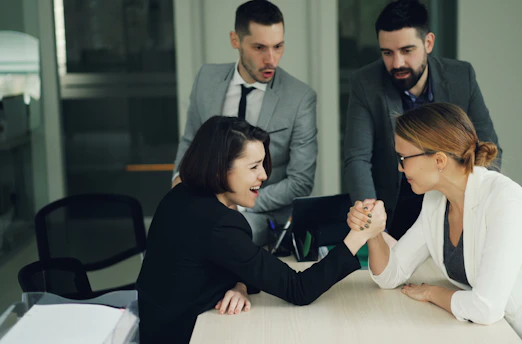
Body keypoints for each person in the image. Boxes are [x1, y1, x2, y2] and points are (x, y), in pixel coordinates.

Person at [137, 116, 385, 344]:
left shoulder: (183, 196)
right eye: (254, 167)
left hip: (160, 328)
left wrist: (240, 284)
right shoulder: (219, 224)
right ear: (218, 170)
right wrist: (360, 234)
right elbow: (299, 289)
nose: (264, 175)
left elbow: (219, 262)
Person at [347, 103, 522, 344]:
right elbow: (390, 275)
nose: (400, 167)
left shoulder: (505, 200)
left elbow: (486, 308)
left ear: (439, 160)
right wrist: (374, 231)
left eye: (403, 158)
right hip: (486, 332)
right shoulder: (436, 200)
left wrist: (433, 292)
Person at [343, 0, 502, 240]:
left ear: (428, 43)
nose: (397, 63)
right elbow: (357, 159)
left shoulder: (462, 76)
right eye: (387, 53)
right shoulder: (365, 83)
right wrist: (372, 221)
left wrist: (470, 204)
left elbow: (488, 147)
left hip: (451, 199)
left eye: (407, 50)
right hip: (395, 202)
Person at [172, 0, 317, 246]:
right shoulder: (206, 78)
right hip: (202, 203)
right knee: (175, 231)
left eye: (278, 46)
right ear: (235, 40)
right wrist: (179, 182)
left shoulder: (300, 98)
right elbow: (190, 141)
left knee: (224, 235)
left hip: (258, 211)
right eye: (259, 47)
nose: (271, 59)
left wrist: (234, 203)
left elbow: (300, 182)